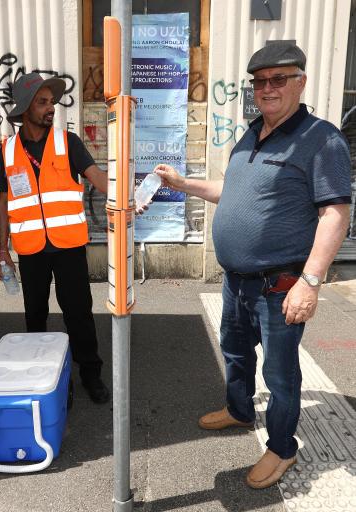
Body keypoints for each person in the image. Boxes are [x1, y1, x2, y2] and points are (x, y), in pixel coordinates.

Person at [155, 42, 351, 489]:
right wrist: (183, 183)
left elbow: (335, 214)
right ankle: (240, 408)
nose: (268, 88)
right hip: (237, 281)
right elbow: (232, 190)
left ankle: (282, 448)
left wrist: (311, 281)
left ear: (300, 82)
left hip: (280, 284)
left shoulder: (322, 140)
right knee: (235, 351)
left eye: (278, 79)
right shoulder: (250, 134)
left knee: (280, 373)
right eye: (260, 81)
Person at [0, 72, 111, 404]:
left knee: (78, 313)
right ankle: (43, 375)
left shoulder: (67, 142)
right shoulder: (8, 151)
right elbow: (3, 202)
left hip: (68, 246)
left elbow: (95, 176)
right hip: (30, 249)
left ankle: (90, 373)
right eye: (42, 102)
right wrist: (2, 250)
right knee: (35, 314)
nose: (51, 108)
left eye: (52, 102)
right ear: (25, 107)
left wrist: (124, 195)